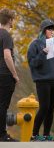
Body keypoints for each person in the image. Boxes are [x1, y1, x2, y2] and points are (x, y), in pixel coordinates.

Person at [0, 8, 19, 142]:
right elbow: (7, 56)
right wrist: (15, 74)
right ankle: (2, 135)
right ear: (10, 20)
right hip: (5, 75)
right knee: (3, 105)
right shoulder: (6, 35)